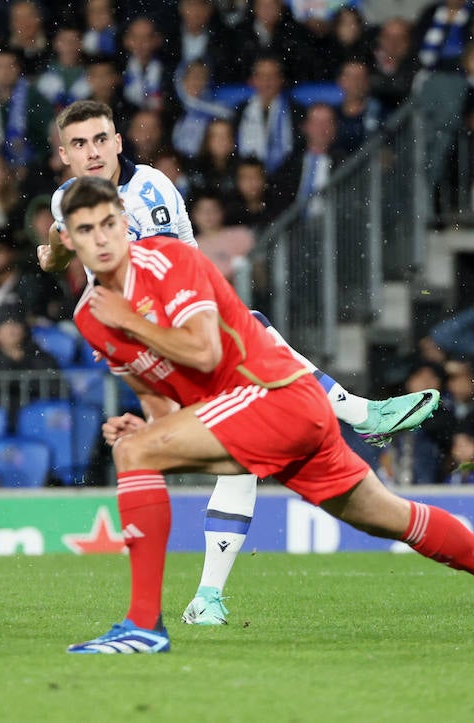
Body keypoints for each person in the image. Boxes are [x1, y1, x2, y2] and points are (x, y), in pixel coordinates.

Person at [57, 176, 474, 653]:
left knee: (136, 454)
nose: (101, 238)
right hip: (260, 415)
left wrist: (132, 331)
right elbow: (160, 392)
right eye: (85, 230)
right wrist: (150, 423)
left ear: (125, 222)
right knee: (390, 518)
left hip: (276, 395)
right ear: (67, 242)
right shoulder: (90, 317)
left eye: (108, 223)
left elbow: (205, 352)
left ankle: (144, 626)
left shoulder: (167, 260)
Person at [37, 100, 439, 626]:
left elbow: (163, 277)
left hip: (180, 326)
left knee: (245, 423)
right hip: (146, 341)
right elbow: (73, 248)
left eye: (100, 140)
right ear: (64, 156)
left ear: (117, 142)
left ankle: (206, 598)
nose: (92, 153)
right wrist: (56, 255)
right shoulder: (66, 198)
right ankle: (359, 413)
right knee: (250, 370)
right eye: (80, 145)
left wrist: (116, 320)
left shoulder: (150, 191)